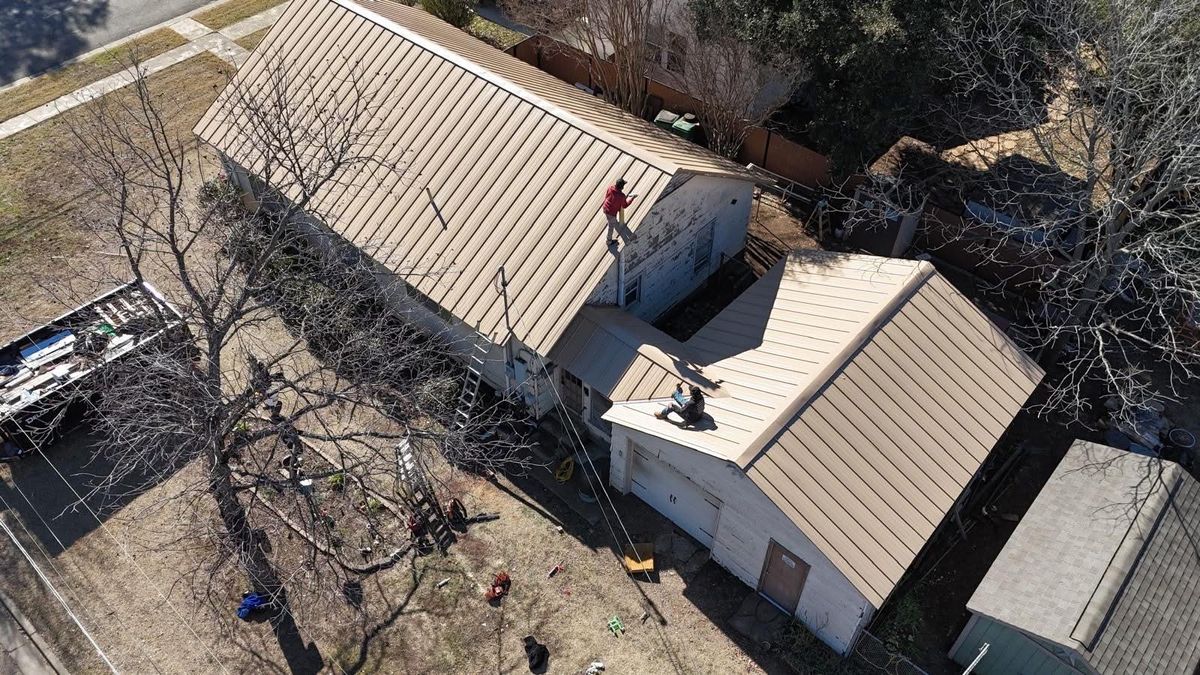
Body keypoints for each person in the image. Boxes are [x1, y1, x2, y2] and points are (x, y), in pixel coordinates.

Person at [601, 178, 636, 246]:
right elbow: (625, 205)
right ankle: (609, 241)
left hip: (605, 207)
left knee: (612, 220)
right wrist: (632, 198)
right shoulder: (621, 196)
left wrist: (623, 198)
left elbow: (609, 196)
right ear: (622, 187)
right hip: (611, 213)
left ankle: (612, 222)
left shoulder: (610, 188)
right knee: (611, 227)